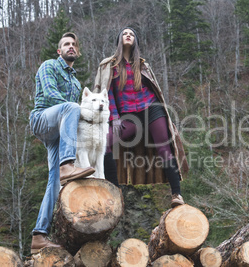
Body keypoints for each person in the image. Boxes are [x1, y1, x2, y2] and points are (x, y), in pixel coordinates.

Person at [93, 27, 188, 208]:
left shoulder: (143, 66)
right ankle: (115, 191)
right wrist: (114, 117)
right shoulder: (109, 65)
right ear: (119, 40)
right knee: (104, 142)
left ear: (135, 41)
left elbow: (155, 91)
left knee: (164, 147)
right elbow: (108, 93)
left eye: (132, 34)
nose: (128, 35)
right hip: (128, 116)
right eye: (125, 33)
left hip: (152, 109)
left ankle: (176, 194)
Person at [29, 32, 95, 253]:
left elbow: (71, 122)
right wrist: (80, 110)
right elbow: (49, 95)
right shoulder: (49, 66)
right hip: (42, 120)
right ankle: (67, 165)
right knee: (72, 107)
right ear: (59, 51)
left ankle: (39, 235)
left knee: (54, 183)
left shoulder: (76, 84)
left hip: (58, 135)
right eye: (66, 44)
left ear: (78, 51)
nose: (70, 47)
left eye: (74, 45)